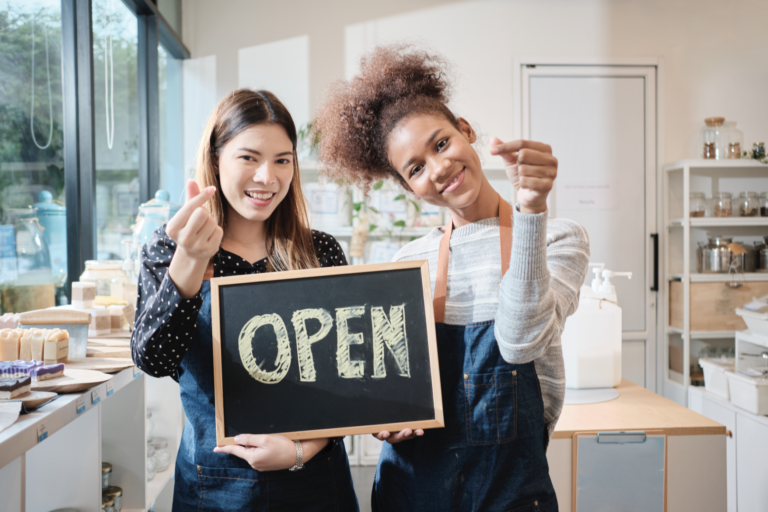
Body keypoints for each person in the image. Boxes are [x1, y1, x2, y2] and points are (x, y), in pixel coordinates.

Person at [313, 45, 590, 511]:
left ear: (466, 130)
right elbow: (389, 386)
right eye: (416, 168)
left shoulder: (555, 238)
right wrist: (384, 418)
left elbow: (520, 342)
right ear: (407, 187)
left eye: (441, 143)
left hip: (511, 492)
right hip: (412, 491)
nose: (439, 169)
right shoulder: (410, 260)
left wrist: (530, 211)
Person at [131, 89, 359, 511]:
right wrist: (191, 263)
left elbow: (346, 379)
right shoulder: (170, 246)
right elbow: (153, 360)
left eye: (282, 160)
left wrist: (299, 451)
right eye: (249, 158)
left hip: (315, 479)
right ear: (216, 158)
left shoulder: (320, 252)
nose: (267, 178)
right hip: (214, 486)